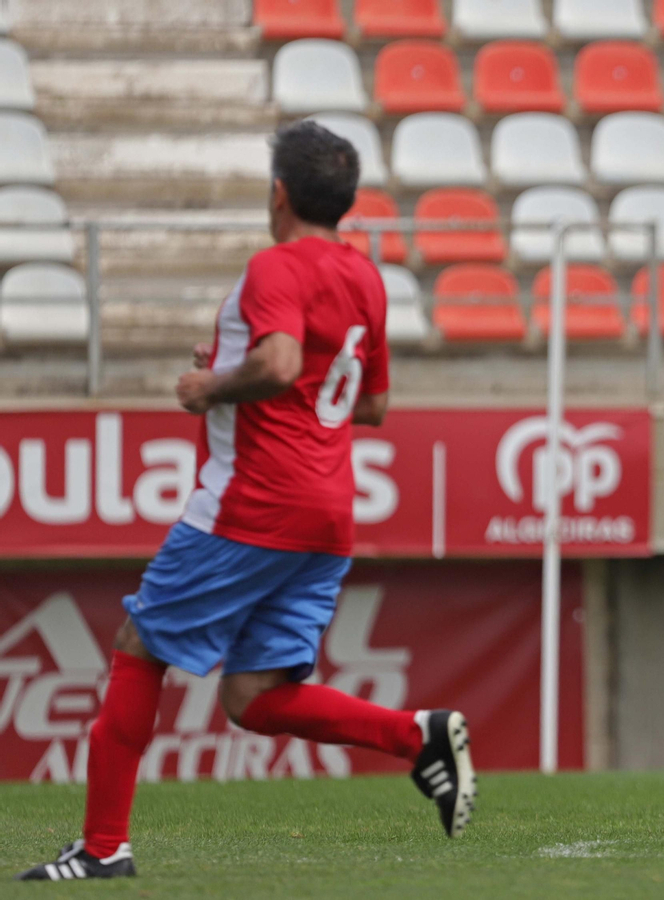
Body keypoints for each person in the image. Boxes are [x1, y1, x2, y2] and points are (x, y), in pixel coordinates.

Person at [17, 121, 476, 882]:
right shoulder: (365, 277)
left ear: (279, 194)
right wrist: (244, 367)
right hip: (328, 516)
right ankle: (415, 736)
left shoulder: (276, 266)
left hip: (253, 503)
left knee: (139, 645)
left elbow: (283, 361)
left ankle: (102, 849)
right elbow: (372, 403)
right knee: (254, 695)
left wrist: (213, 386)